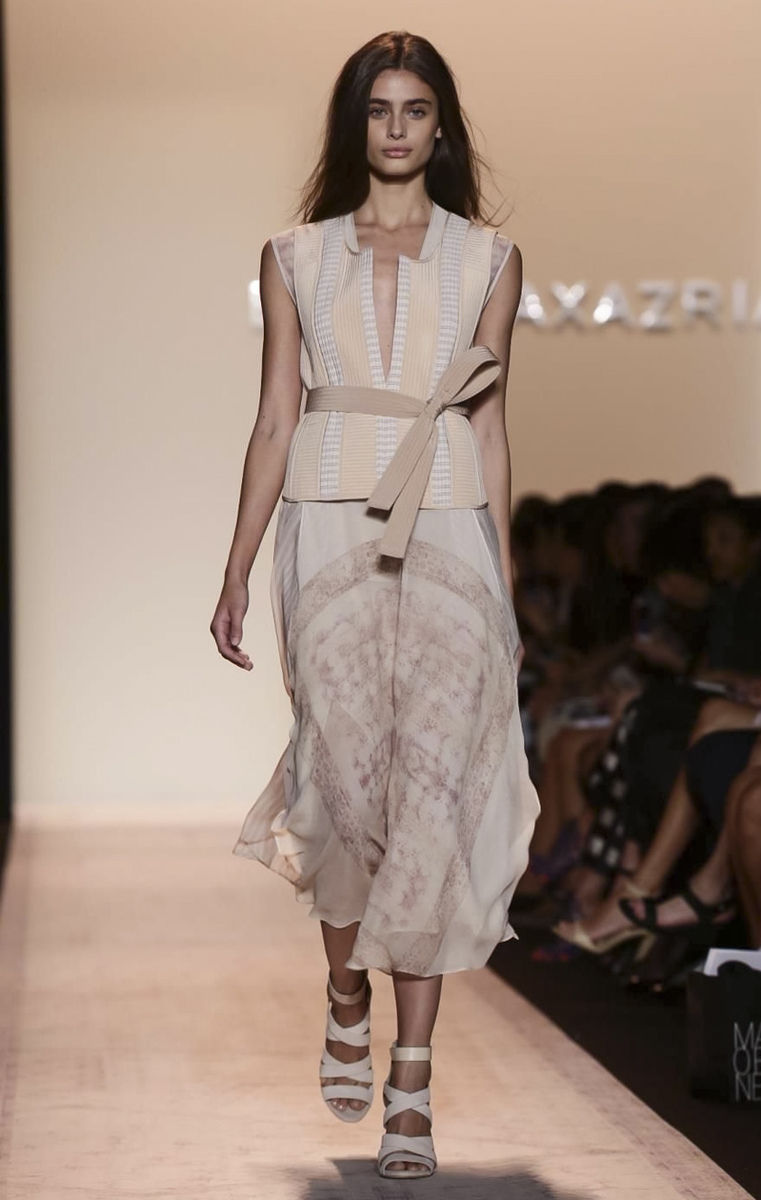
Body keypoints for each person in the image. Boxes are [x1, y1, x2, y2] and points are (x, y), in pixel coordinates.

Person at [209, 30, 539, 1181]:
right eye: (377, 109)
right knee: (346, 791)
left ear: (439, 127)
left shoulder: (488, 259)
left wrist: (505, 583)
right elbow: (273, 417)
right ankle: (344, 988)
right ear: (355, 125)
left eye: (414, 109)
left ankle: (411, 1079)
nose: (395, 128)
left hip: (447, 526)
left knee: (431, 796)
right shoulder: (293, 255)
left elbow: (490, 428)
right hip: (327, 527)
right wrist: (236, 565)